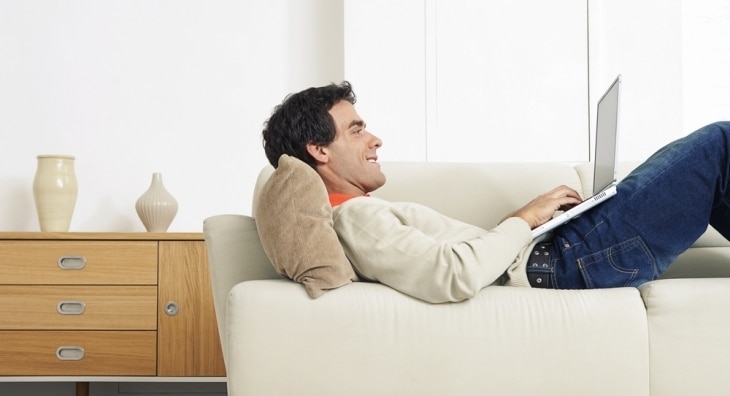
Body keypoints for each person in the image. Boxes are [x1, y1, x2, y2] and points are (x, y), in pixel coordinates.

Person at [262, 81, 730, 303]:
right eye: (357, 130)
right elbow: (449, 275)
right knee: (720, 144)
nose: (375, 140)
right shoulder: (353, 218)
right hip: (567, 262)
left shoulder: (361, 211)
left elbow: (461, 255)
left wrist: (529, 221)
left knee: (719, 171)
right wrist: (523, 220)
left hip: (559, 252)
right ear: (319, 150)